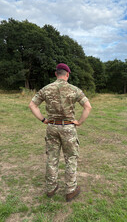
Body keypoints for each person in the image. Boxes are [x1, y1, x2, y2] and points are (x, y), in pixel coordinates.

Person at [29, 63, 92, 202]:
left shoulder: (46, 89)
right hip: (68, 128)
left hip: (52, 127)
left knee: (52, 157)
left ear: (56, 74)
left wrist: (43, 119)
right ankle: (70, 190)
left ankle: (51, 188)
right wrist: (80, 122)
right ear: (67, 75)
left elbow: (32, 105)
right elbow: (88, 106)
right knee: (71, 158)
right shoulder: (74, 89)